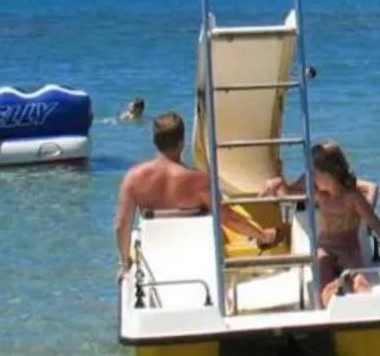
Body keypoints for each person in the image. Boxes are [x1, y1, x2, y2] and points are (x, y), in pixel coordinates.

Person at [114, 113, 276, 273]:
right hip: (195, 260)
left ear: (154, 141)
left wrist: (125, 262)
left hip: (155, 260)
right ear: (182, 142)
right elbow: (229, 218)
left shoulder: (133, 178)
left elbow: (122, 225)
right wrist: (262, 235)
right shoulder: (200, 181)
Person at [264, 140, 380, 306]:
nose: (310, 177)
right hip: (325, 246)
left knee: (359, 280)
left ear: (328, 174)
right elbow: (289, 195)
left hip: (349, 248)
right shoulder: (318, 193)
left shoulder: (352, 197)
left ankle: (364, 307)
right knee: (324, 279)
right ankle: (331, 302)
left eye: (314, 174)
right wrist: (278, 183)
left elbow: (373, 221)